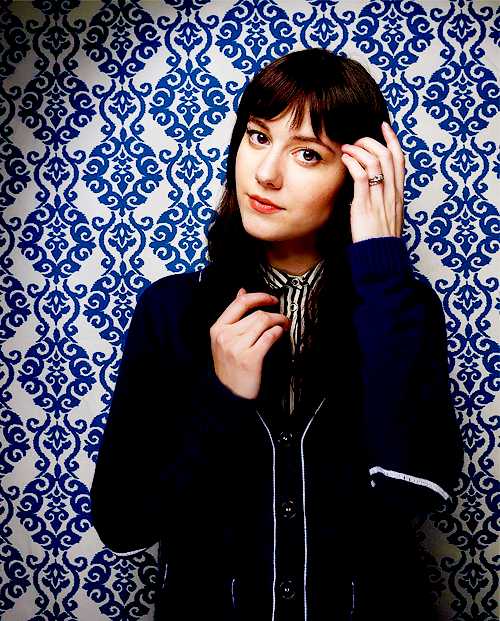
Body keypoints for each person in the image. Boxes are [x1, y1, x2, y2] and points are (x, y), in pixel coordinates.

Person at [90, 48, 463, 620]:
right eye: (258, 137)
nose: (265, 173)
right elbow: (123, 523)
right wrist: (221, 395)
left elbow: (416, 487)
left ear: (355, 176)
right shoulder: (171, 310)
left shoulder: (400, 308)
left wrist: (383, 266)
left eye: (308, 154)